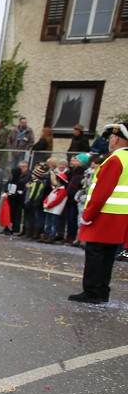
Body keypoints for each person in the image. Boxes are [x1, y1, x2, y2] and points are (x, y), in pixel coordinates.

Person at [71, 124, 127, 303]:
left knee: (95, 253)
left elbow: (101, 192)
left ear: (116, 139)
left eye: (111, 137)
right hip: (120, 214)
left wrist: (88, 215)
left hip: (105, 213)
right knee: (108, 255)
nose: (110, 140)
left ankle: (92, 291)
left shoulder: (114, 160)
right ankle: (102, 290)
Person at [23, 162, 51, 240]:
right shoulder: (34, 183)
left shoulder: (38, 184)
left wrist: (29, 202)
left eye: (33, 174)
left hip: (32, 204)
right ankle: (28, 233)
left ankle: (31, 234)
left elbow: (34, 194)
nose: (31, 175)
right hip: (31, 203)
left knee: (32, 219)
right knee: (29, 219)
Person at [3, 160, 30, 236]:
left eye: (23, 167)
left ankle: (14, 228)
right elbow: (7, 184)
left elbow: (21, 190)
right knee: (9, 213)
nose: (22, 168)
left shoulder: (24, 178)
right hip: (10, 199)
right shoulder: (12, 178)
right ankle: (7, 227)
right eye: (20, 167)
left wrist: (12, 194)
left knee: (16, 214)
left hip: (17, 200)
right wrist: (6, 192)